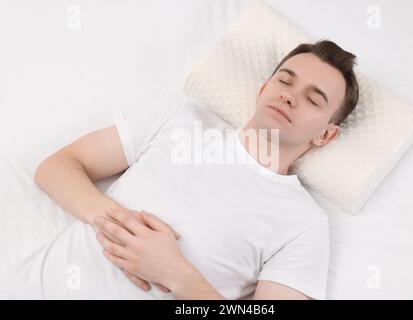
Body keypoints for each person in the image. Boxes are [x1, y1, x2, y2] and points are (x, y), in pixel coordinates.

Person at [1, 40, 359, 300]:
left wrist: (178, 276)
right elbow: (55, 168)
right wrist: (116, 223)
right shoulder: (182, 121)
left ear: (326, 135)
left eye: (313, 99)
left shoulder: (303, 223)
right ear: (264, 88)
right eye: (284, 80)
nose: (289, 95)